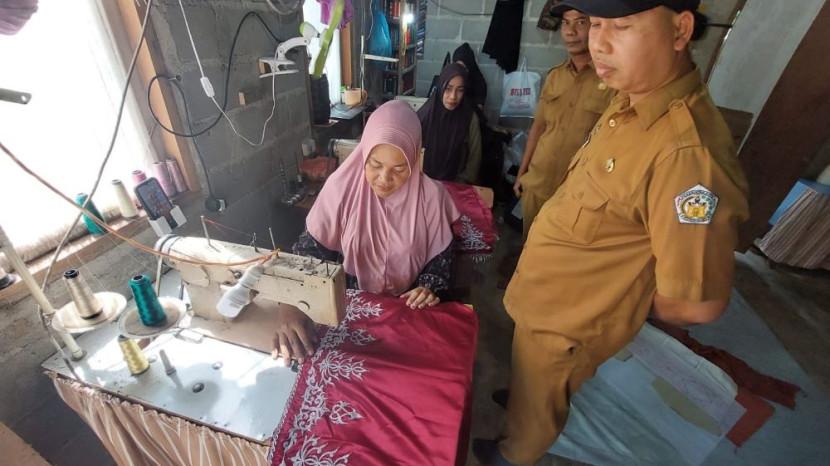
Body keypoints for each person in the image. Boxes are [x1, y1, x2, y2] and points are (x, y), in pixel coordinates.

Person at [474, 1, 750, 465]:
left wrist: (610, 301)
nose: (599, 42)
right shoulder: (627, 100)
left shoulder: (687, 156)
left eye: (620, 26)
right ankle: (525, 398)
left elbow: (693, 303)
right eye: (596, 23)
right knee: (531, 380)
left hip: (569, 321)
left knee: (538, 411)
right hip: (546, 298)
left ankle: (513, 452)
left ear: (680, 30)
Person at [272, 100, 460, 364]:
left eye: (399, 168)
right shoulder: (340, 190)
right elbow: (308, 254)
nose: (384, 179)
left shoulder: (432, 198)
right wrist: (289, 305)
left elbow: (441, 262)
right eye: (375, 164)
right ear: (363, 154)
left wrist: (428, 287)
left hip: (405, 310)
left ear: (414, 159)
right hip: (350, 307)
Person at [513, 4, 615, 239]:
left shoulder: (611, 81)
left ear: (596, 26)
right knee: (530, 246)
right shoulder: (555, 76)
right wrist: (522, 173)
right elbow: (538, 128)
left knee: (561, 252)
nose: (570, 31)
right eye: (565, 23)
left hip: (576, 193)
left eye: (580, 22)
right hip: (537, 184)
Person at [418, 63, 483, 185]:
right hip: (423, 182)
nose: (453, 96)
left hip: (455, 183)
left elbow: (475, 155)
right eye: (448, 89)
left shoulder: (469, 117)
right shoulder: (424, 116)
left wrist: (463, 181)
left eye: (460, 90)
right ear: (440, 88)